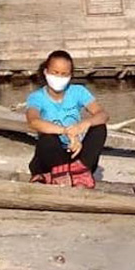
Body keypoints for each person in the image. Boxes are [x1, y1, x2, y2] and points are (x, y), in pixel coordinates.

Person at [25, 50, 109, 187]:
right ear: (46, 72)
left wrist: (83, 125)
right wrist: (66, 131)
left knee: (99, 128)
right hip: (51, 155)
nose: (59, 77)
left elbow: (102, 114)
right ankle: (58, 174)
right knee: (47, 137)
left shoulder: (78, 92)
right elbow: (33, 121)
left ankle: (79, 171)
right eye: (55, 72)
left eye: (64, 74)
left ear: (70, 75)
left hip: (75, 153)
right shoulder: (36, 97)